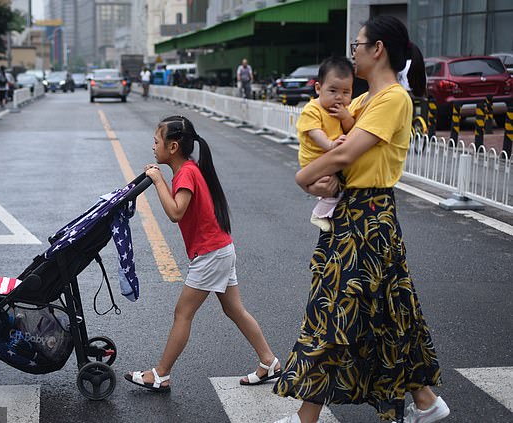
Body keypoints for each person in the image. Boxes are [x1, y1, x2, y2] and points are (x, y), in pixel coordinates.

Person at [273, 15, 449, 423]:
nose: (353, 52)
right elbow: (324, 122)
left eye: (358, 44)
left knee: (332, 308)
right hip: (354, 213)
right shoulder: (365, 99)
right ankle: (424, 400)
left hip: (369, 218)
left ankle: (307, 417)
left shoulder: (392, 100)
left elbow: (346, 153)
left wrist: (304, 177)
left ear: (378, 49)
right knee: (382, 313)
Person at [125, 115, 281, 392]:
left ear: (172, 147)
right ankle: (269, 362)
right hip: (220, 249)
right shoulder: (189, 169)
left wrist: (158, 180)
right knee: (234, 310)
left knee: (182, 313)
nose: (153, 146)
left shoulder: (185, 173)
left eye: (156, 140)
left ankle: (161, 374)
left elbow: (175, 212)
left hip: (211, 254)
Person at [297, 56, 355, 232]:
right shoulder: (312, 109)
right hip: (314, 161)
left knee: (338, 188)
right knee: (332, 187)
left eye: (346, 93)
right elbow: (316, 133)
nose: (339, 97)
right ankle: (319, 214)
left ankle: (326, 213)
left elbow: (351, 129)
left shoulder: (342, 110)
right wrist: (330, 146)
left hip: (330, 157)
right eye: (333, 91)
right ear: (318, 88)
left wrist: (346, 117)